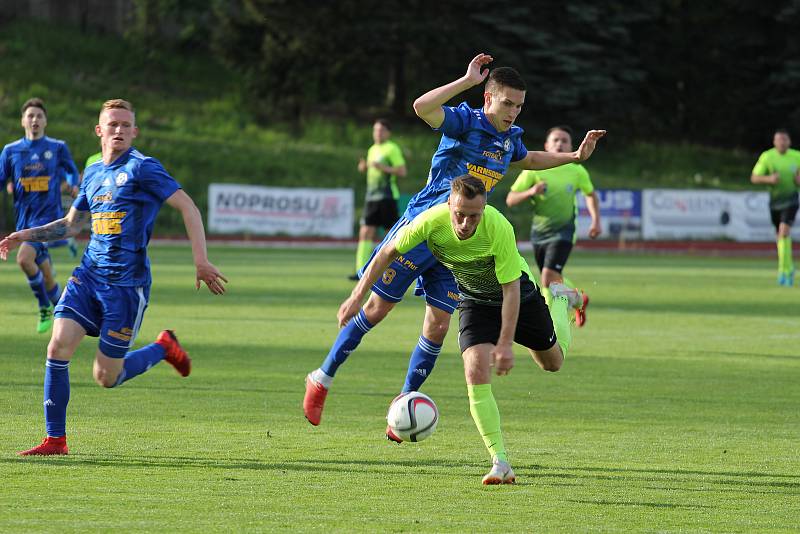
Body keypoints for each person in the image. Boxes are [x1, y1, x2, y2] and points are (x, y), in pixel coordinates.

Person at [303, 53, 605, 440]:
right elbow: (421, 107)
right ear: (488, 98)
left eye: (519, 106)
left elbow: (529, 157)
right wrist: (466, 80)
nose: (513, 112)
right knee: (377, 309)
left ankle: (404, 402)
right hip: (423, 229)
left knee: (439, 323)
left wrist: (575, 156)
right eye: (506, 103)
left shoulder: (509, 139)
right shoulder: (466, 122)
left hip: (460, 243)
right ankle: (322, 378)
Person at [0, 99, 228, 456]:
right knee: (57, 345)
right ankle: (55, 440)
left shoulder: (143, 169)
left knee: (106, 377)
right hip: (88, 276)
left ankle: (163, 348)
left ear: (134, 131)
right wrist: (23, 235)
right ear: (99, 130)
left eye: (125, 125)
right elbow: (71, 225)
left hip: (126, 286)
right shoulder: (92, 174)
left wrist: (201, 260)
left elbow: (188, 206)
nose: (118, 130)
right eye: (112, 124)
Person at [339, 176, 582, 483]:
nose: (466, 223)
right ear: (449, 205)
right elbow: (387, 252)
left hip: (518, 296)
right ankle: (500, 461)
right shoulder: (431, 221)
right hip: (474, 302)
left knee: (552, 362)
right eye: (460, 214)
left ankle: (560, 300)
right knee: (475, 371)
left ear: (484, 209)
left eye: (474, 216)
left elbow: (510, 291)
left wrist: (505, 344)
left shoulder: (498, 227)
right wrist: (355, 297)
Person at [506, 125, 601, 325]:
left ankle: (552, 319)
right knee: (551, 281)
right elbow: (511, 199)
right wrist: (531, 192)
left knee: (547, 278)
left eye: (564, 140)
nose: (560, 144)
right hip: (539, 233)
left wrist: (596, 221)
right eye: (555, 140)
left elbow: (590, 195)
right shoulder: (533, 171)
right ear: (546, 145)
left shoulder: (577, 170)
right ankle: (578, 299)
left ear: (572, 146)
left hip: (564, 232)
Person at [0, 97, 80, 333]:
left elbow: (71, 172)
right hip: (24, 219)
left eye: (39, 116)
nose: (35, 119)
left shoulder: (57, 147)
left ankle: (44, 306)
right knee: (46, 277)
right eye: (30, 115)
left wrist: (73, 183)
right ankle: (65, 311)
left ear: (45, 121)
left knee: (23, 259)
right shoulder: (11, 151)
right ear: (23, 120)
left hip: (49, 219)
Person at [350, 119, 406, 280]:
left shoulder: (392, 148)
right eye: (375, 130)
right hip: (372, 197)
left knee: (391, 235)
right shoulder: (372, 149)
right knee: (365, 232)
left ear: (388, 133)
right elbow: (371, 168)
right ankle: (361, 271)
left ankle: (391, 270)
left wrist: (383, 168)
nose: (377, 133)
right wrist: (364, 167)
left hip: (387, 197)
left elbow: (402, 171)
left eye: (381, 130)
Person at [750, 128, 800, 286]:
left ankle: (782, 270)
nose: (782, 143)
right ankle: (788, 267)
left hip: (791, 199)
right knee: (780, 236)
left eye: (785, 140)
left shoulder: (797, 156)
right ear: (774, 142)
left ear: (789, 142)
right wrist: (769, 179)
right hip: (775, 201)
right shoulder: (767, 156)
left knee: (784, 231)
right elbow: (754, 178)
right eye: (779, 140)